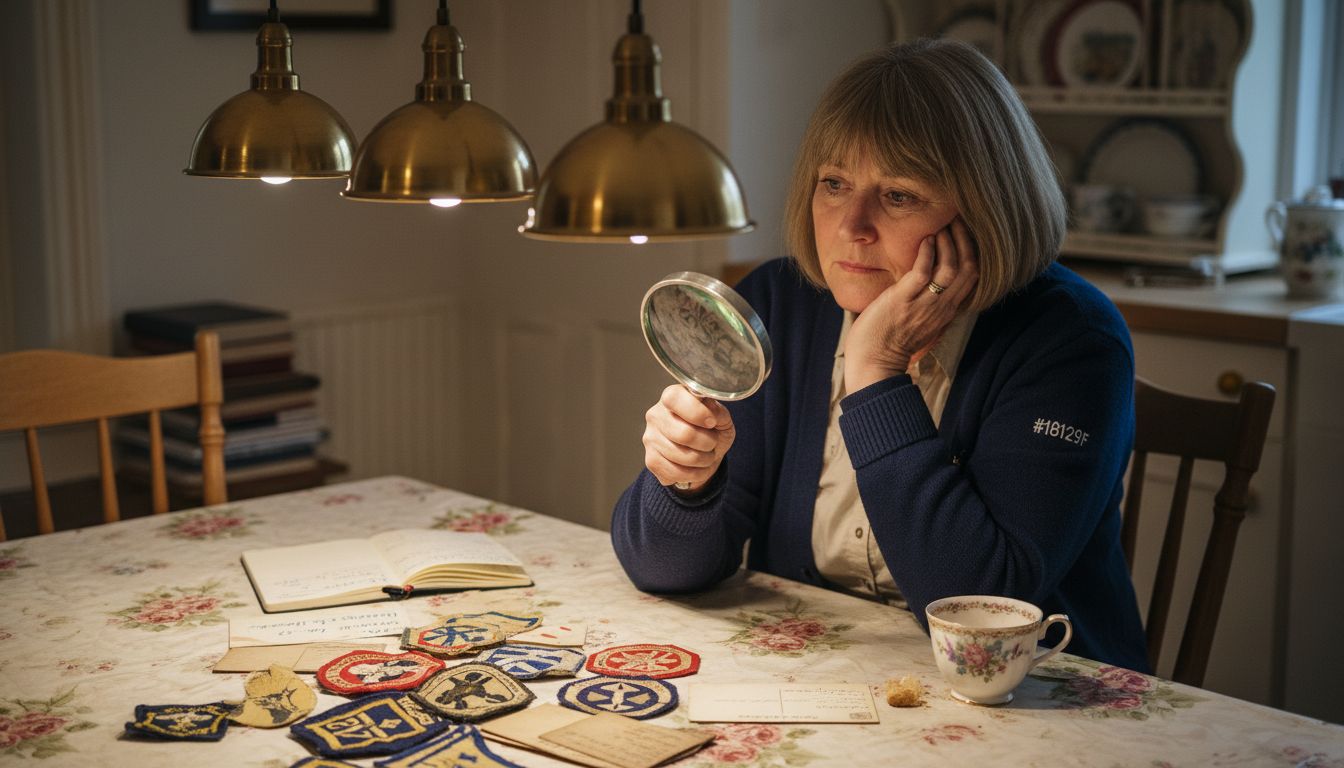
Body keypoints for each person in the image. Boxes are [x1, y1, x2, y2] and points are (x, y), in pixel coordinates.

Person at [609, 38, 1149, 672]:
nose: (851, 225)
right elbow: (662, 569)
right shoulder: (779, 304)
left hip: (1038, 690)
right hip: (826, 673)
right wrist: (685, 483)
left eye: (899, 195)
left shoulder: (1073, 342)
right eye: (834, 184)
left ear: (986, 208)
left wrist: (875, 372)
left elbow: (980, 608)